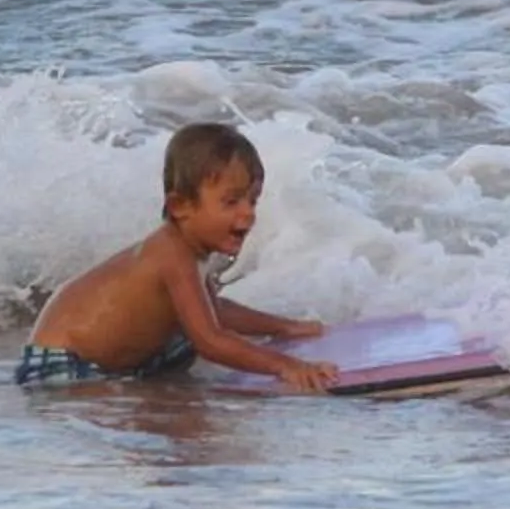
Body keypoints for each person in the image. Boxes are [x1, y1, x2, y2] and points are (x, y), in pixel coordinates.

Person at [17, 122, 338, 392]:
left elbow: (217, 312)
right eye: (231, 202)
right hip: (63, 363)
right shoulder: (172, 253)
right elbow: (210, 340)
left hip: (113, 363)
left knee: (184, 345)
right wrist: (284, 366)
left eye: (252, 201)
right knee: (174, 384)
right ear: (180, 207)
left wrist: (286, 328)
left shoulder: (191, 251)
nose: (248, 214)